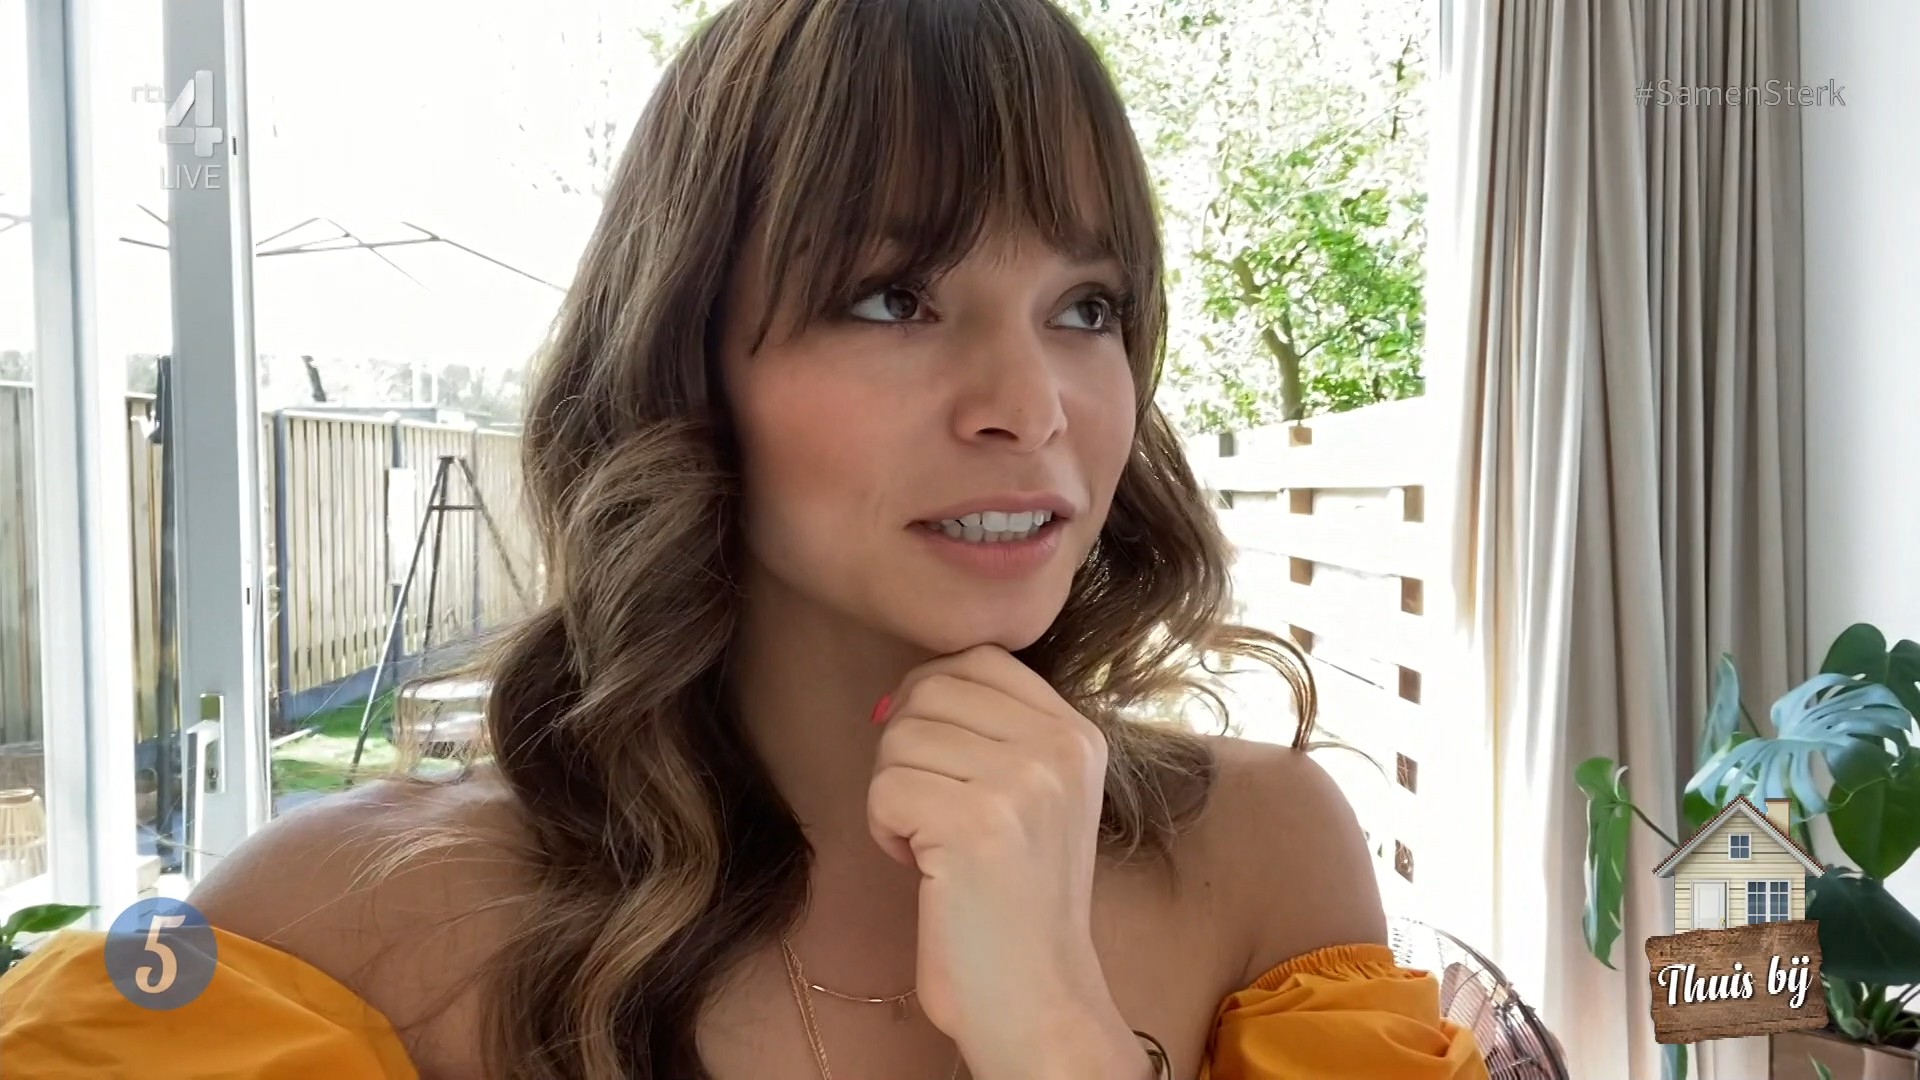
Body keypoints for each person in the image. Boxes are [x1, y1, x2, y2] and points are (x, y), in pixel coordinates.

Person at [0, 0, 1490, 1076]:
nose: (1031, 406)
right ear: (685, 358)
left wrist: (1058, 1027)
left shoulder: (1264, 862)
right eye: (896, 297)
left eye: (1086, 308)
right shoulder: (341, 930)